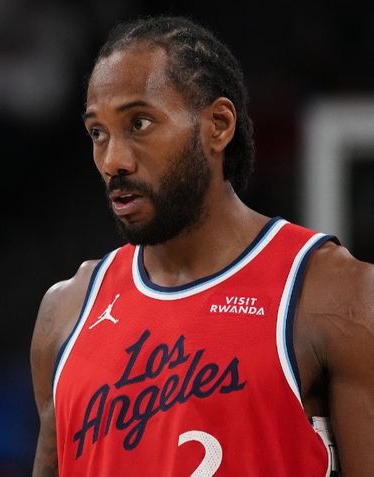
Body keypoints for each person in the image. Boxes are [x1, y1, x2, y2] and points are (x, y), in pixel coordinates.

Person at [30, 15, 374, 477]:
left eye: (139, 123)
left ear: (218, 125)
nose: (113, 160)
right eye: (98, 132)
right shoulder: (66, 311)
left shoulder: (335, 293)